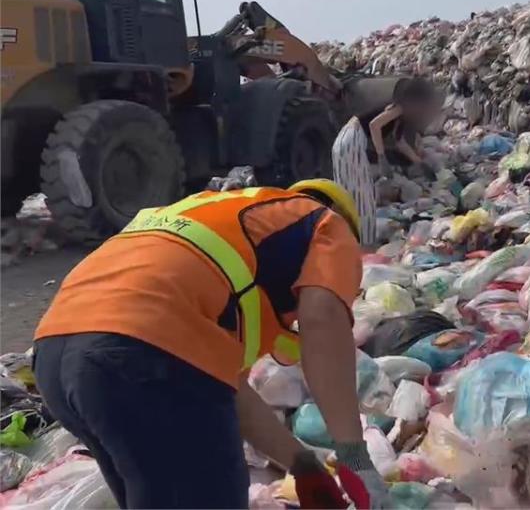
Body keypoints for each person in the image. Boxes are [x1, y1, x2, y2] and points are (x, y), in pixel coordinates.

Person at [32, 180, 389, 509]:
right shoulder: (327, 224)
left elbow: (231, 394)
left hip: (56, 357)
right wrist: (354, 456)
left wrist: (302, 464)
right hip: (142, 354)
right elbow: (323, 318)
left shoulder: (225, 223)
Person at [331, 77, 440, 247]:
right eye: (422, 105)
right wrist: (381, 157)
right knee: (361, 195)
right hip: (351, 139)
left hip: (350, 140)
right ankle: (362, 245)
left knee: (355, 193)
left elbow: (399, 143)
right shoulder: (397, 108)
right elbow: (375, 126)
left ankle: (352, 241)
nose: (422, 110)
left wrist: (419, 162)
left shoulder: (401, 117)